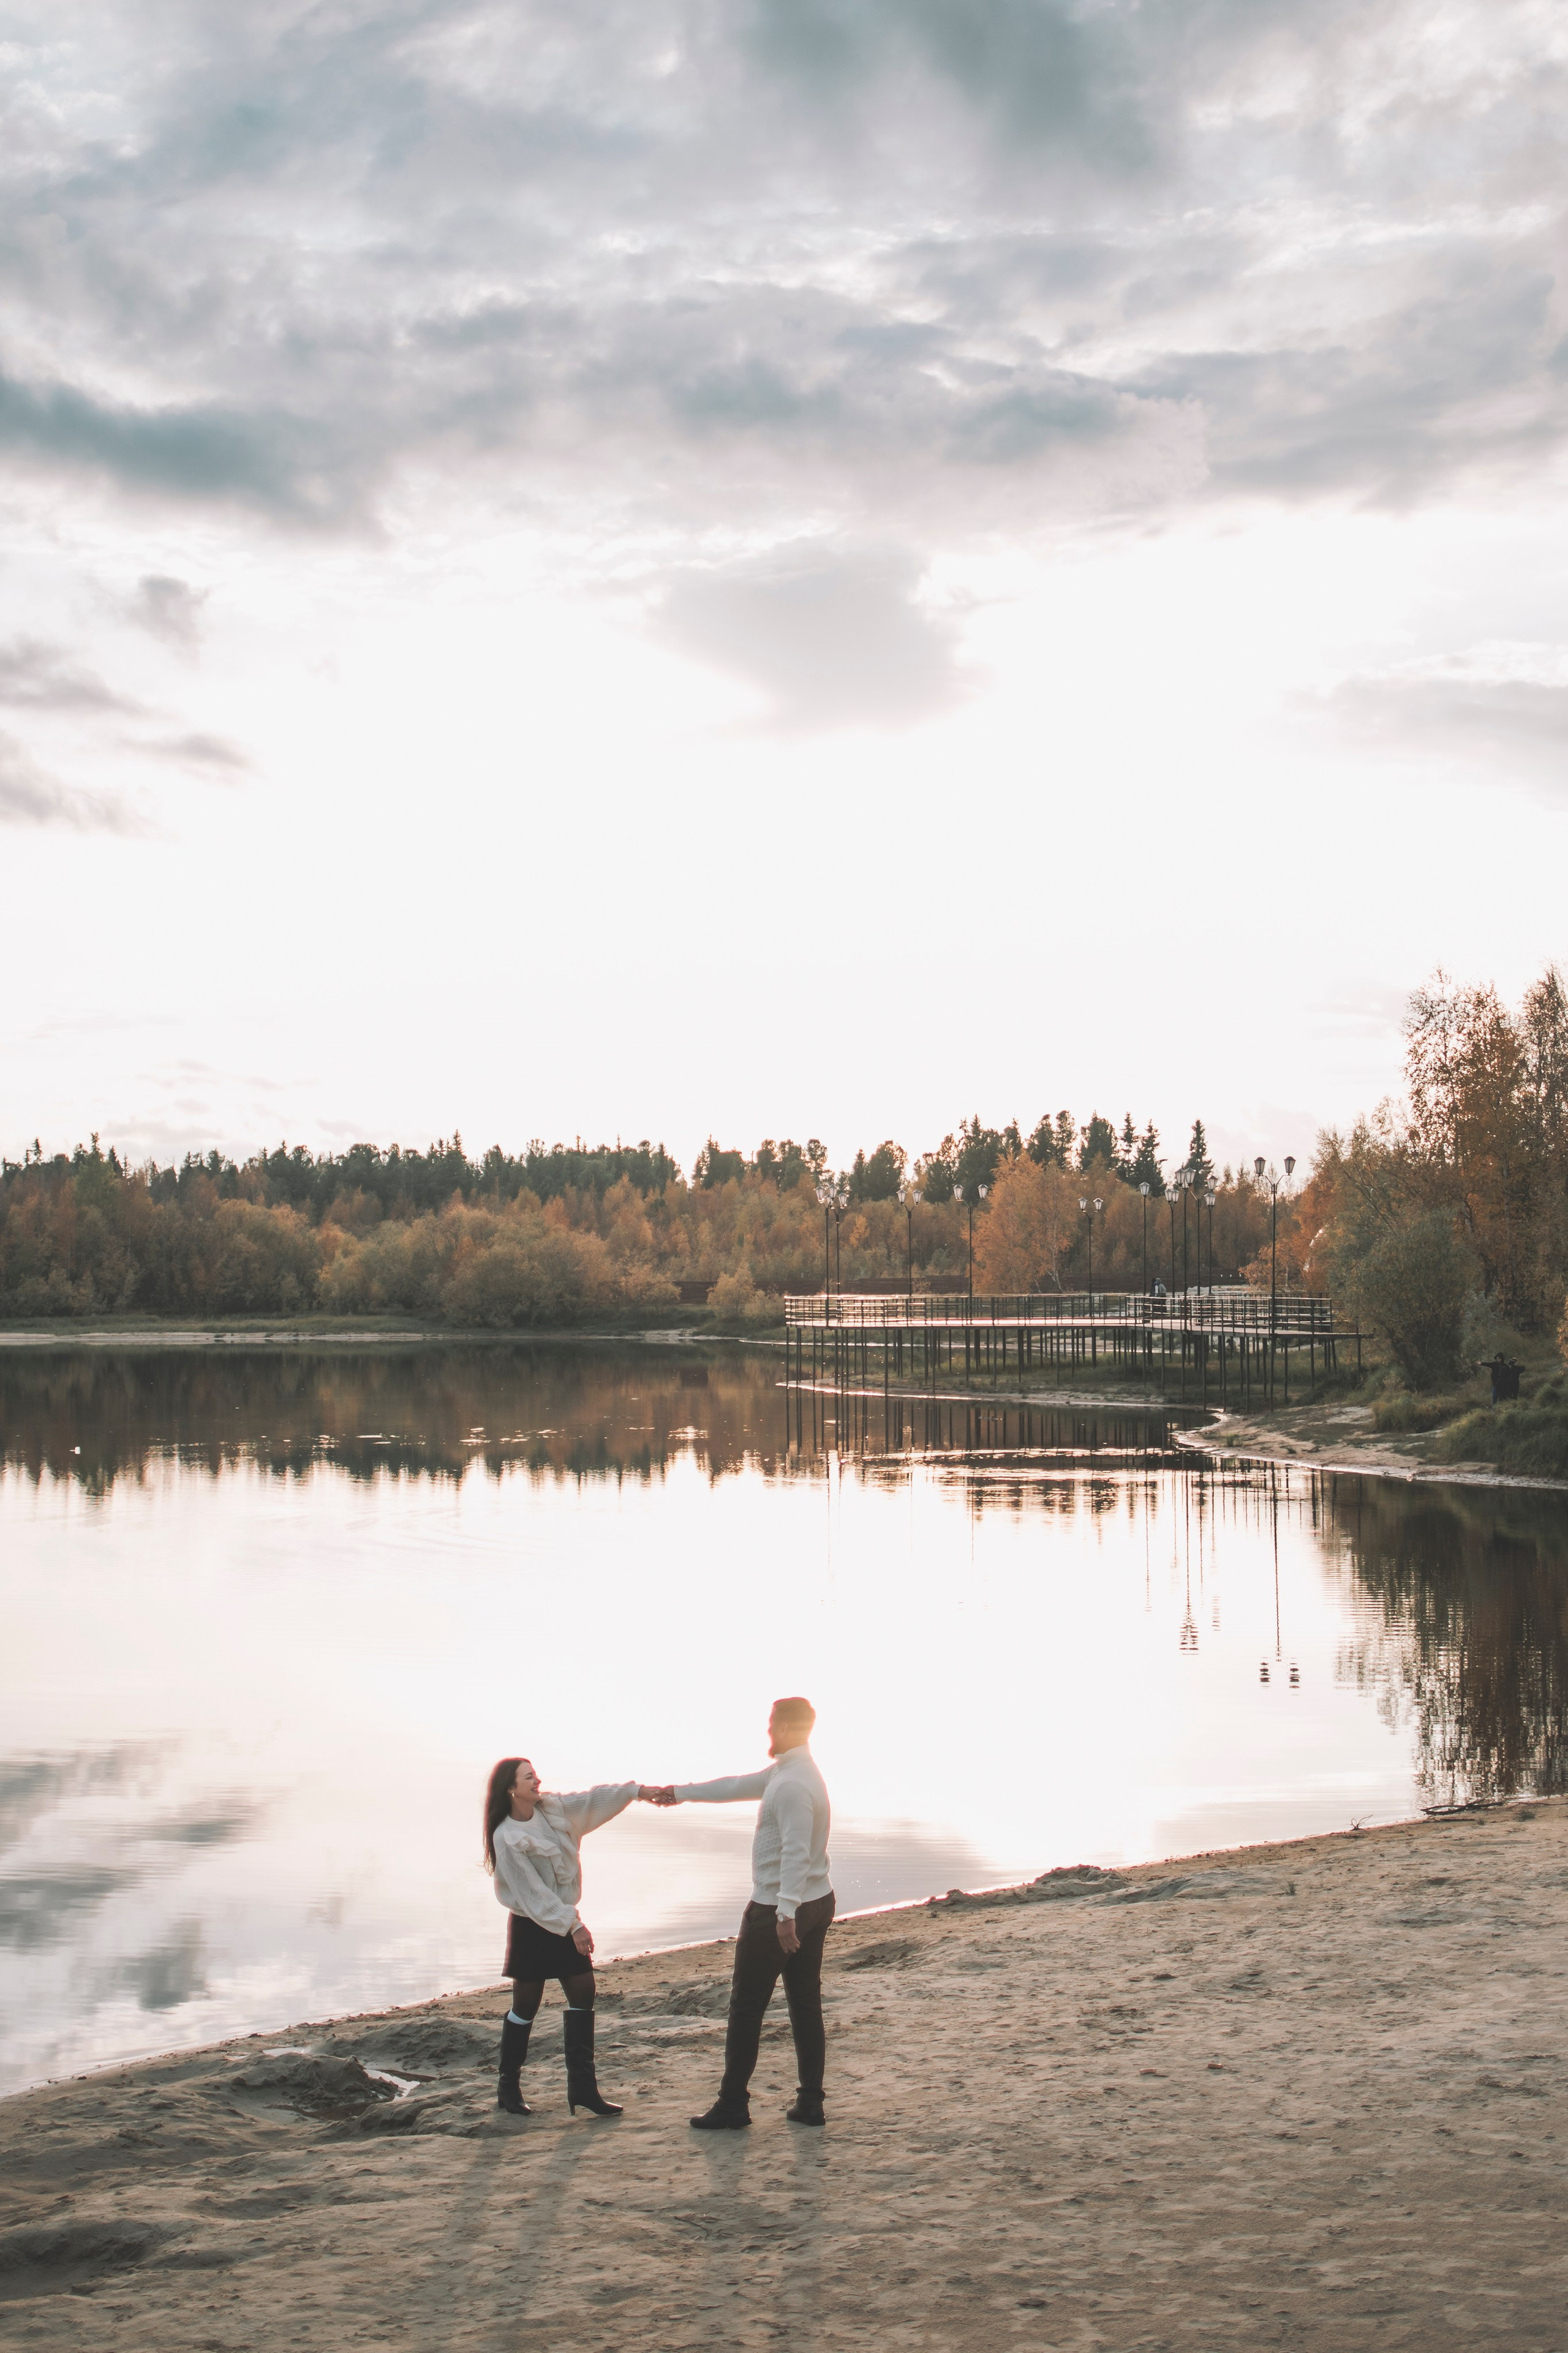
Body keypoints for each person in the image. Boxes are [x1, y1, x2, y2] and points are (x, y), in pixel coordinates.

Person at [663, 1696, 834, 2131]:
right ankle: (810, 2102)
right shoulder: (791, 1772)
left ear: (791, 1729)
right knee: (805, 2003)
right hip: (816, 1899)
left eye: (773, 1724)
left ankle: (733, 2104)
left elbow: (795, 1851)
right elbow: (735, 1784)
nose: (768, 1732)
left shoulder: (793, 1784)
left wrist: (785, 1914)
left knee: (746, 2008)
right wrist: (680, 1794)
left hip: (778, 1907)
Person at [482, 1756, 667, 2118]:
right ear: (511, 1788)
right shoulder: (505, 1837)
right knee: (526, 2006)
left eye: (536, 1775)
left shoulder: (552, 1809)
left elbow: (593, 1800)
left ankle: (583, 2090)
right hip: (532, 1926)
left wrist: (637, 1792)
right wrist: (576, 1926)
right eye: (529, 1777)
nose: (538, 1781)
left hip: (565, 1919)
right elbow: (533, 1894)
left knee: (584, 1992)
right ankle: (508, 2086)